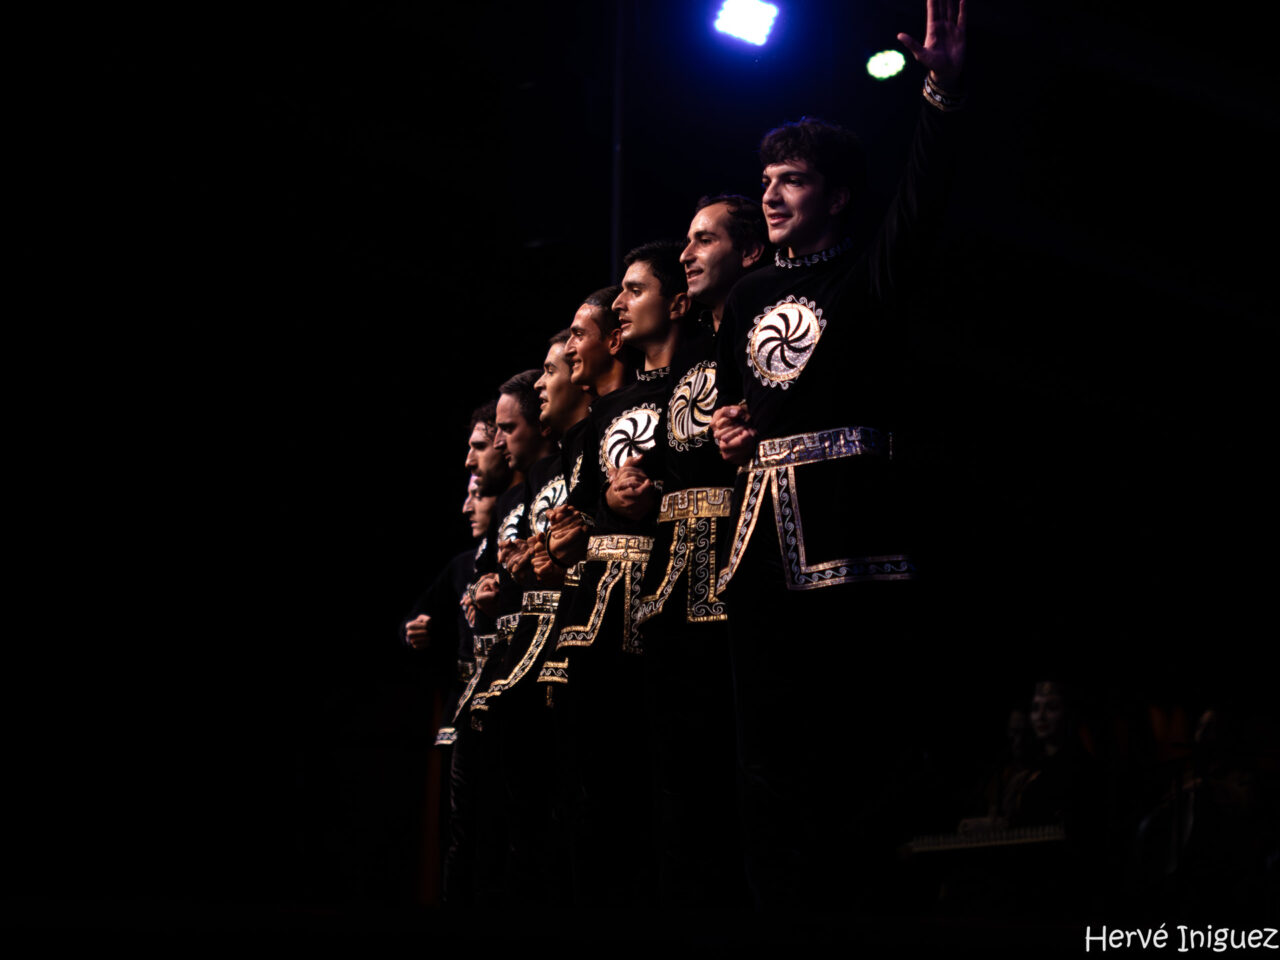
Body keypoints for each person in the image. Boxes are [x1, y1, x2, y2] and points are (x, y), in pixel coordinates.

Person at [708, 0, 968, 911]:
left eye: (795, 180)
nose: (773, 194)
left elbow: (923, 200)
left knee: (850, 745)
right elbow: (739, 408)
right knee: (762, 758)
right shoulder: (741, 303)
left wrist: (939, 89)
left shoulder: (870, 273)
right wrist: (730, 435)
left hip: (851, 533)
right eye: (768, 179)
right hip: (758, 553)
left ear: (837, 195)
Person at [622, 195, 767, 905]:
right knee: (675, 779)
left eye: (704, 240)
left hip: (738, 582)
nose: (686, 254)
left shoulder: (757, 344)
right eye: (686, 240)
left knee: (729, 767)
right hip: (676, 591)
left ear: (750, 254)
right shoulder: (693, 360)